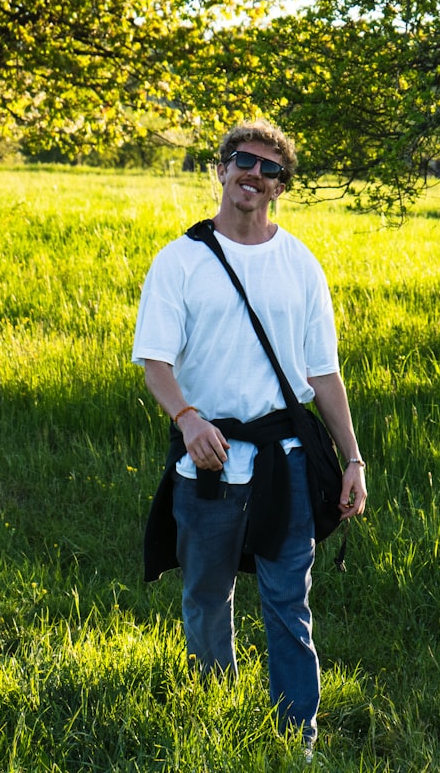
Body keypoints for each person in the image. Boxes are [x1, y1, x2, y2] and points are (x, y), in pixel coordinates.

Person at [132, 118, 368, 751]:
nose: (253, 174)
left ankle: (299, 743)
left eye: (269, 168)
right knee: (206, 596)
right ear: (221, 168)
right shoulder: (180, 260)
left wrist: (353, 459)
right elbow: (155, 362)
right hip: (206, 463)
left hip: (285, 464)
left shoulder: (300, 264)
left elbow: (323, 373)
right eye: (243, 160)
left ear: (281, 186)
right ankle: (215, 711)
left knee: (289, 606)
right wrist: (187, 418)